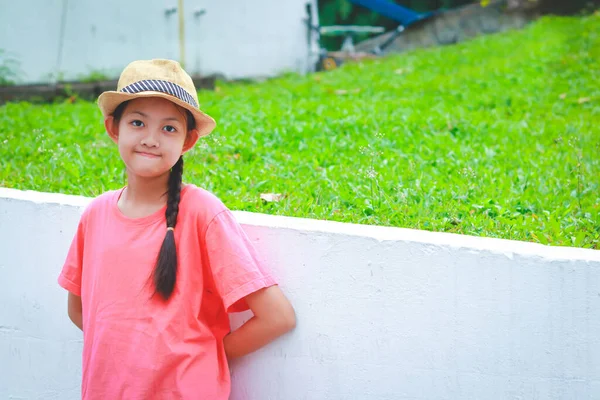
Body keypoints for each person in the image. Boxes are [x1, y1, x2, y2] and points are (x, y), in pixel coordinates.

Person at [58, 59, 296, 399]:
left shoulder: (202, 212)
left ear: (188, 140)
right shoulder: (95, 215)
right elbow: (79, 310)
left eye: (169, 128)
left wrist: (200, 358)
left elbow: (277, 317)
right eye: (138, 122)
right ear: (114, 128)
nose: (151, 139)